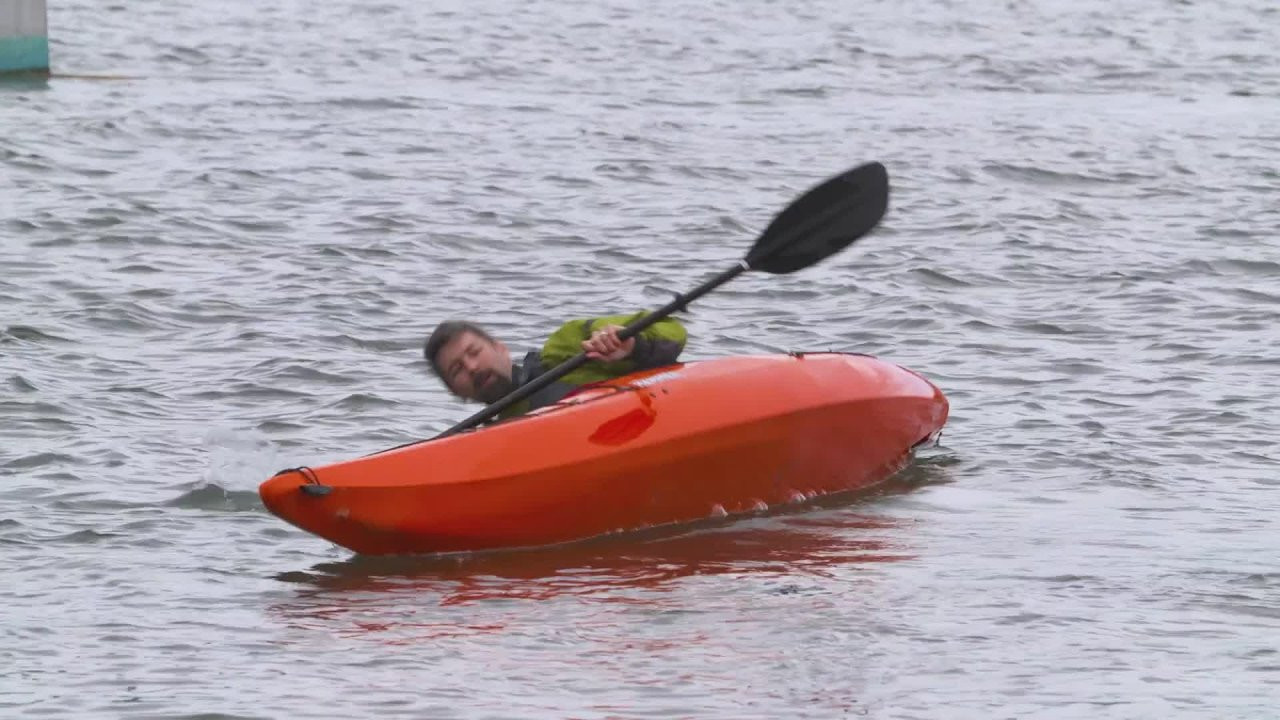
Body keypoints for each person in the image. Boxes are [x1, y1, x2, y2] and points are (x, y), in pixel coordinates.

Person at [423, 312, 687, 419]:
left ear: (500, 348)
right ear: (455, 393)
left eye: (474, 352)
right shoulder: (489, 445)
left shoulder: (566, 350)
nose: (471, 367)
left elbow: (672, 329)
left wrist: (632, 345)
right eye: (456, 370)